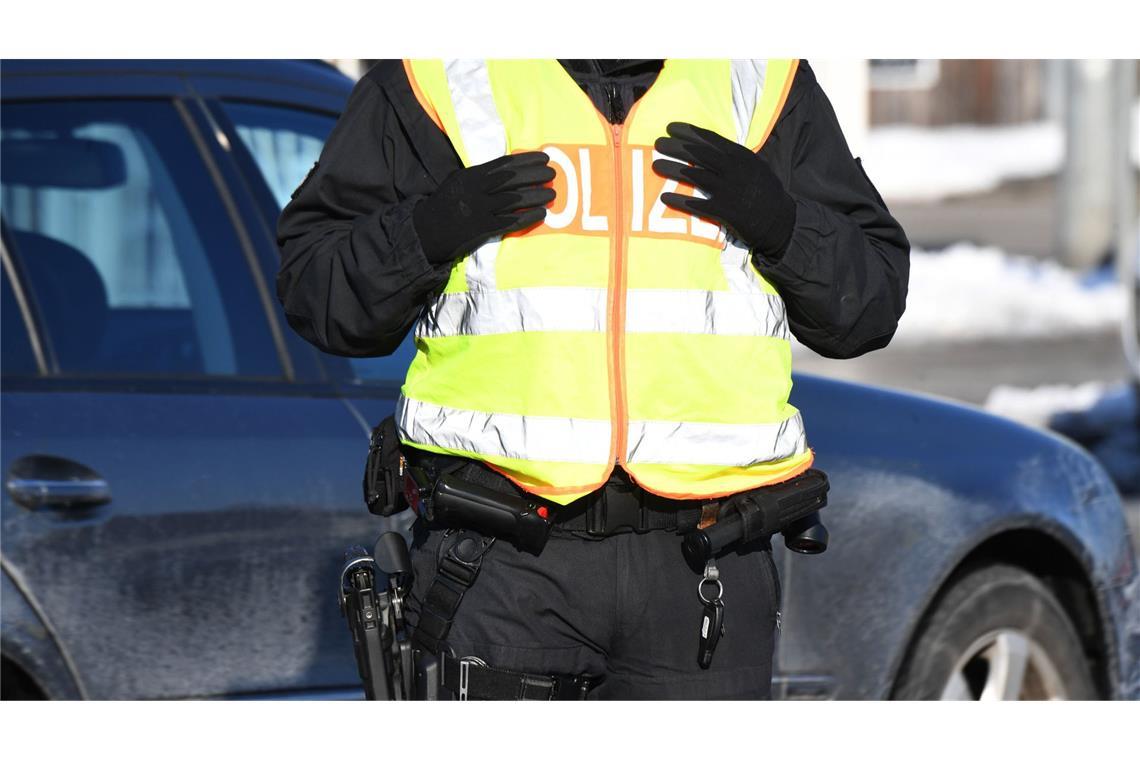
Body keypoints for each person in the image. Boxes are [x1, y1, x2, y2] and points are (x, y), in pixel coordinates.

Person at [277, 59, 910, 700]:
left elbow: (869, 307)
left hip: (706, 569)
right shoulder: (439, 75)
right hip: (501, 562)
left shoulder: (759, 78)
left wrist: (782, 222)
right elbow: (318, 293)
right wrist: (430, 230)